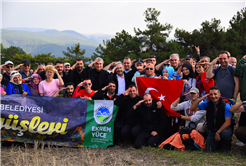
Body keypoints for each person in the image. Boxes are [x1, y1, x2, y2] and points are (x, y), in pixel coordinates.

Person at [190, 86, 233, 153]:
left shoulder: (225, 105)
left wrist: (218, 132)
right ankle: (218, 144)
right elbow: (192, 109)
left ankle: (226, 148)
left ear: (219, 95)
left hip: (224, 128)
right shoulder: (206, 104)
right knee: (209, 150)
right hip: (213, 129)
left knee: (225, 134)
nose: (213, 96)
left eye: (215, 94)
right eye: (211, 94)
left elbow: (228, 122)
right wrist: (199, 99)